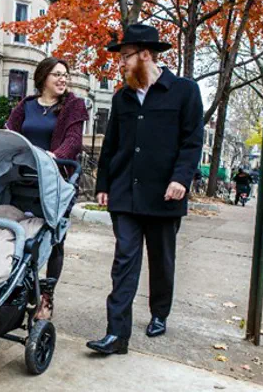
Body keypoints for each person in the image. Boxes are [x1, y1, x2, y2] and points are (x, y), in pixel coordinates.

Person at [86, 23, 204, 355]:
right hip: (125, 192)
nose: (120, 64)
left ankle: (159, 312)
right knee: (124, 260)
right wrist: (104, 184)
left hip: (166, 194)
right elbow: (111, 145)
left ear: (146, 55)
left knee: (161, 260)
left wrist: (181, 179)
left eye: (125, 57)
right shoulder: (122, 98)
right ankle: (116, 334)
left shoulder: (184, 91)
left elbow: (192, 141)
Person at [5, 56, 89, 320]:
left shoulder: (73, 105)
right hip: (24, 180)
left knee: (54, 240)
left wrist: (53, 157)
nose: (63, 79)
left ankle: (46, 297)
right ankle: (15, 284)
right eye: (57, 74)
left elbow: (73, 141)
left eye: (65, 74)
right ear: (43, 78)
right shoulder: (26, 105)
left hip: (56, 181)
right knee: (17, 234)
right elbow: (9, 132)